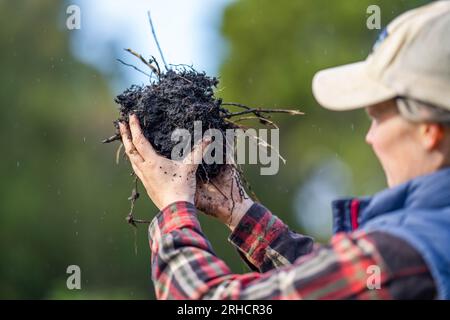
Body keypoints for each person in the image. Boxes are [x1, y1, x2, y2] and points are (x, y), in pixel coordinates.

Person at [118, 1, 450, 299]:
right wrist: (237, 210)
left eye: (377, 119)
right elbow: (324, 285)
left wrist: (174, 208)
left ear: (428, 131)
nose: (370, 138)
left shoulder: (404, 257)